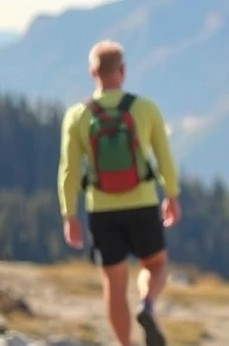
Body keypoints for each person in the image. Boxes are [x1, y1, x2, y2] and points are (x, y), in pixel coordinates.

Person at [57, 39, 182, 346]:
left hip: (101, 210)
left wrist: (69, 214)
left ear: (92, 73)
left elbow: (69, 170)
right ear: (122, 71)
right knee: (155, 264)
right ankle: (147, 304)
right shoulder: (145, 108)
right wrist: (172, 195)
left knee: (114, 286)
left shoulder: (78, 116)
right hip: (141, 203)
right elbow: (163, 157)